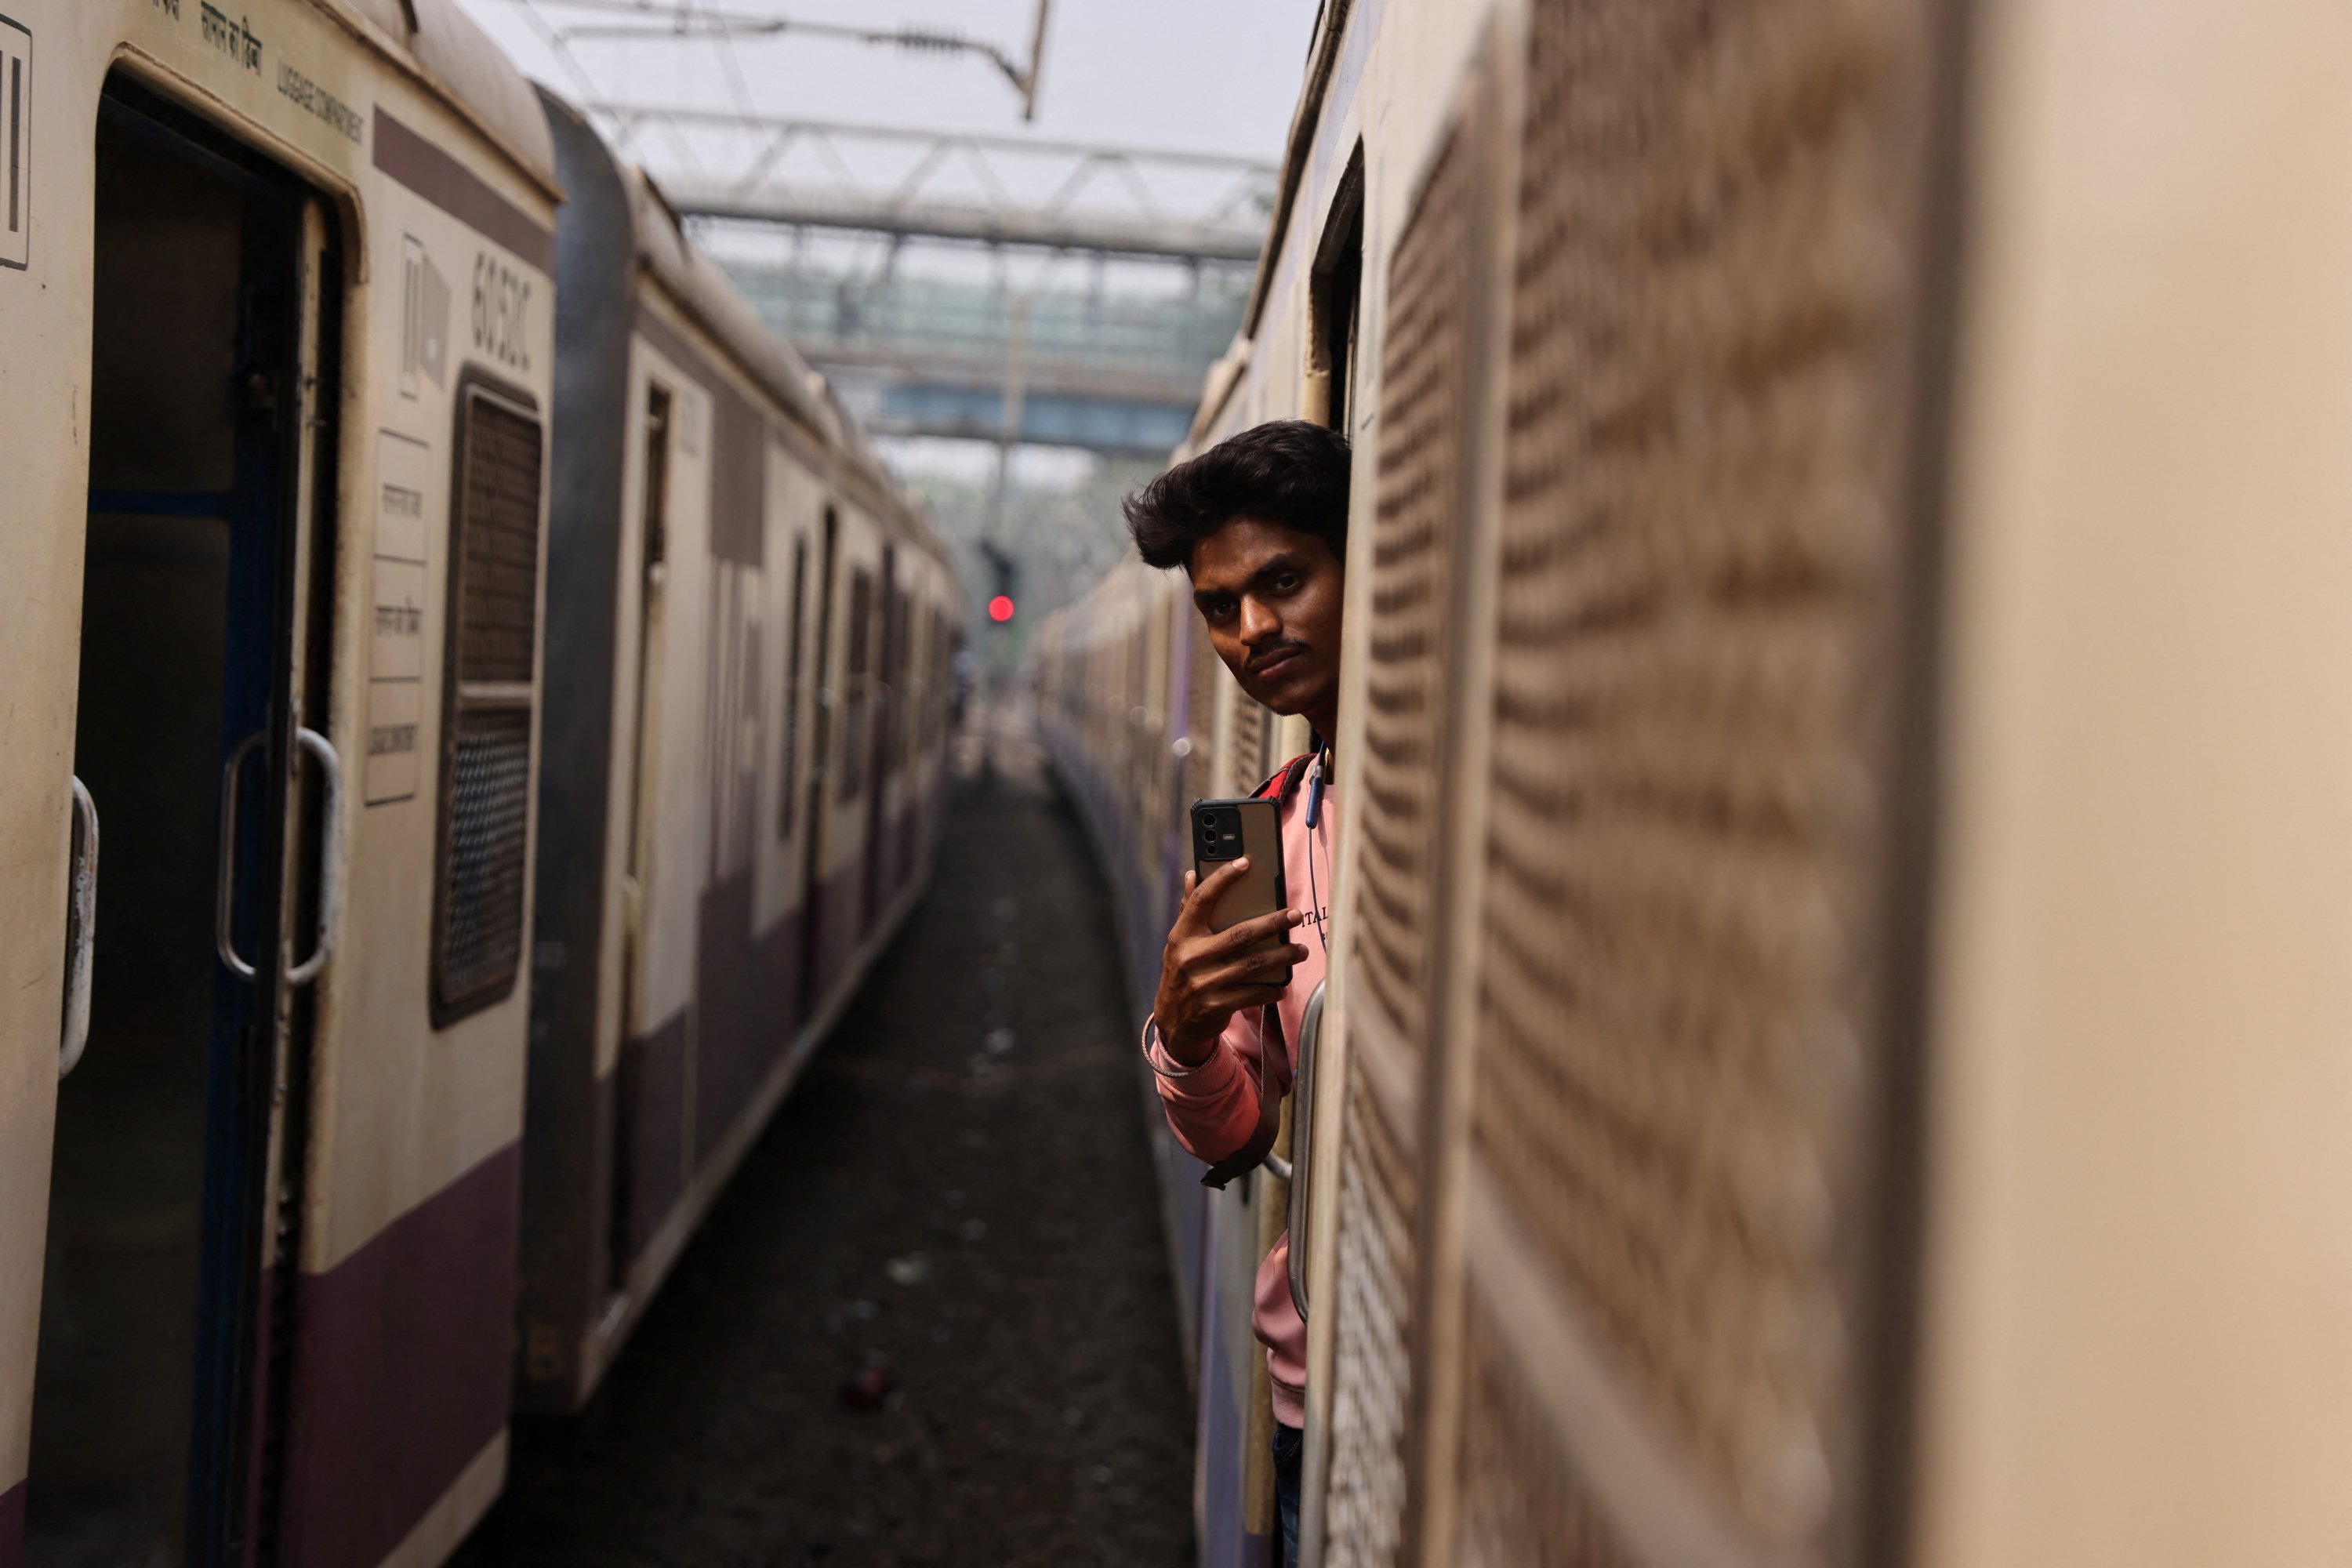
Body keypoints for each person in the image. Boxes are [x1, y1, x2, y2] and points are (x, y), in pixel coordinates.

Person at [1123, 419, 1348, 1568]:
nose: (1252, 629)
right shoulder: (1281, 818)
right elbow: (1237, 1130)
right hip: (1312, 1392)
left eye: (1283, 581)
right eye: (1220, 606)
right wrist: (1185, 1027)